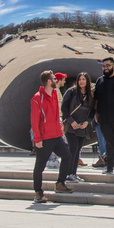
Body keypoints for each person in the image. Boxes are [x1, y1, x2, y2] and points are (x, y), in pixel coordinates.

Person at [30, 70, 73, 203]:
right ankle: (38, 192)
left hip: (57, 135)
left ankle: (60, 183)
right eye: (54, 79)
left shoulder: (55, 94)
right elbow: (34, 120)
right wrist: (37, 139)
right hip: (44, 138)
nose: (56, 80)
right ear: (49, 81)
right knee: (40, 166)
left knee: (67, 156)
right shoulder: (37, 98)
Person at [61, 72, 94, 183]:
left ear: (87, 81)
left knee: (77, 150)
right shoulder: (71, 92)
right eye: (79, 79)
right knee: (73, 149)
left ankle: (73, 173)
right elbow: (64, 108)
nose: (81, 81)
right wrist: (71, 121)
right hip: (71, 126)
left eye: (84, 79)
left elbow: (92, 112)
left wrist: (87, 122)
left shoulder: (90, 95)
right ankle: (68, 173)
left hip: (82, 127)